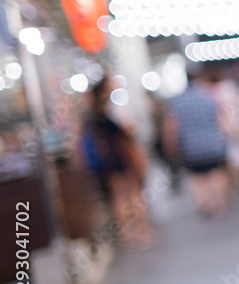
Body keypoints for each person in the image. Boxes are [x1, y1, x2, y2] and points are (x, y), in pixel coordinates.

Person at [81, 78, 154, 250]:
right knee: (134, 194)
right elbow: (129, 130)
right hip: (123, 156)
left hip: (107, 159)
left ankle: (126, 235)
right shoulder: (115, 106)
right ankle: (142, 232)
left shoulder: (94, 112)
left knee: (119, 197)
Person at [164, 70, 230, 218]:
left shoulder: (177, 103)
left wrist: (171, 144)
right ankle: (219, 205)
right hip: (213, 144)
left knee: (197, 177)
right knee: (216, 174)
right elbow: (221, 120)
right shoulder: (208, 99)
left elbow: (172, 127)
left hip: (190, 148)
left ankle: (204, 204)